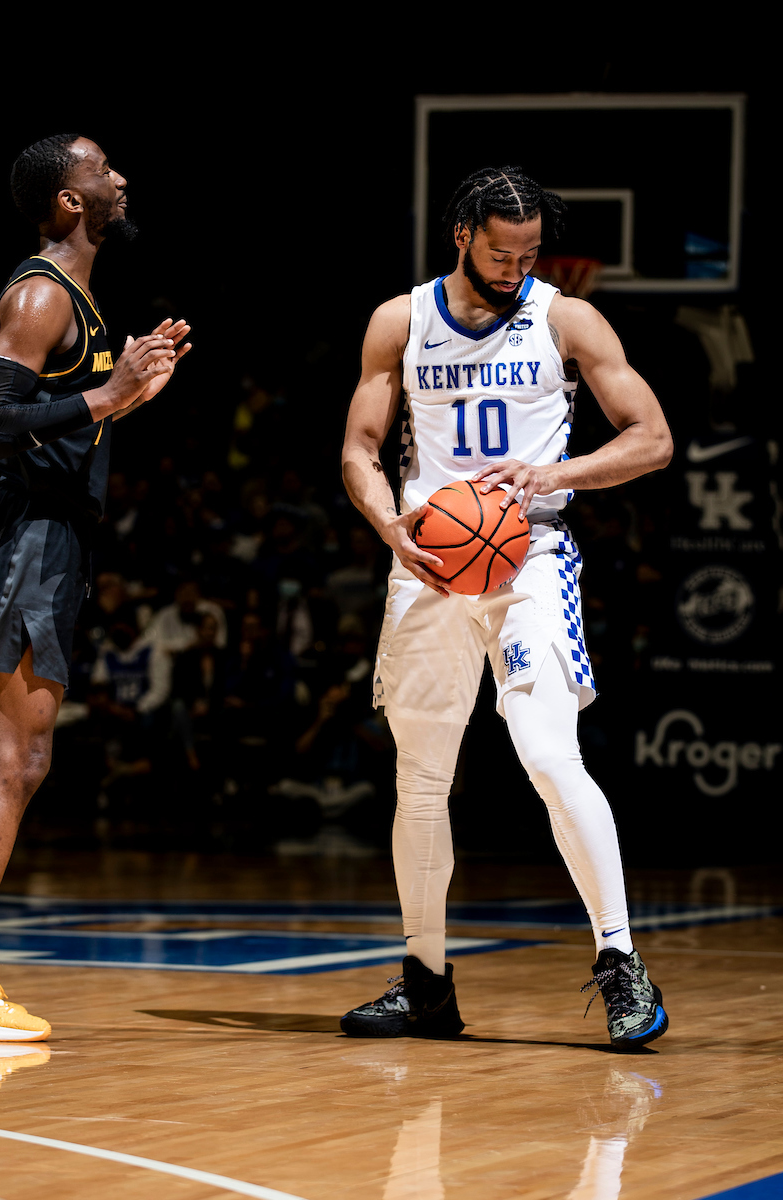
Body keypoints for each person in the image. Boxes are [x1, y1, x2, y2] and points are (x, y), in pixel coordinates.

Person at [339, 166, 672, 1047]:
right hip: (430, 560)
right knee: (420, 783)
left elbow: (654, 439)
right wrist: (390, 527)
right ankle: (425, 983)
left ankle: (621, 961)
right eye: (499, 252)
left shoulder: (566, 318)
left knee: (549, 757)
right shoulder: (400, 321)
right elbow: (359, 450)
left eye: (528, 254)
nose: (515, 267)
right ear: (462, 235)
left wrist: (554, 473)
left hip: (531, 555)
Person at [0, 134, 191, 1041]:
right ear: (67, 201)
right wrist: (104, 398)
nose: (120, 176)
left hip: (42, 531)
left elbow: (50, 422)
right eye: (101, 171)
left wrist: (124, 394)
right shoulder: (42, 294)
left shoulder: (80, 301)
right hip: (24, 532)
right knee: (22, 755)